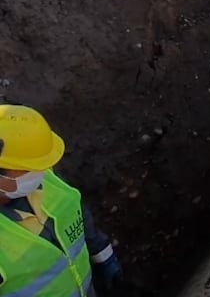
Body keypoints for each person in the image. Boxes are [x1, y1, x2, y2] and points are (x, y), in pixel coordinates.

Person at [0, 104, 123, 296]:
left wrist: (104, 258)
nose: (40, 172)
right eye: (28, 167)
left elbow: (76, 211)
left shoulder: (47, 180)